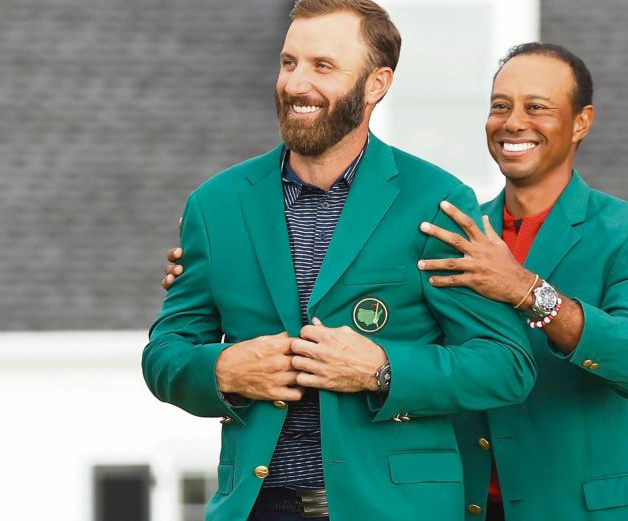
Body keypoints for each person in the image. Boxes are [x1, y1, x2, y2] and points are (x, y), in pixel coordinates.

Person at [163, 41, 628, 521]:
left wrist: (527, 290)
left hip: (579, 510)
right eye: (499, 106)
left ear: (581, 122)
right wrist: (231, 269)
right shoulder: (443, 225)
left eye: (537, 107)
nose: (513, 122)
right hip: (457, 503)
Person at [142, 1, 536, 520]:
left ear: (377, 84)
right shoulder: (215, 205)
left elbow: (506, 366)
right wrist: (222, 369)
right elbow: (165, 354)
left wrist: (383, 369)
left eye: (322, 66)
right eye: (289, 63)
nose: (296, 84)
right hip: (257, 508)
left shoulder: (437, 202)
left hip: (397, 509)